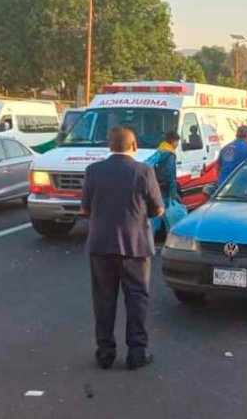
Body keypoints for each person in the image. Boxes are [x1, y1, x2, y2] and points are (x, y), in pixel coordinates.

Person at [82, 126, 165, 371]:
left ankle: (105, 352)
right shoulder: (144, 171)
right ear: (134, 145)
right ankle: (137, 353)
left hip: (100, 245)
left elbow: (86, 208)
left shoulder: (93, 171)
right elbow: (158, 209)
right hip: (135, 246)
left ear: (110, 146)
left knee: (103, 300)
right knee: (137, 299)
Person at [154, 130, 181, 203]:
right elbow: (170, 176)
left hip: (157, 186)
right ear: (173, 141)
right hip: (166, 189)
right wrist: (172, 195)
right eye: (177, 142)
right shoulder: (169, 155)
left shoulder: (160, 150)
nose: (177, 145)